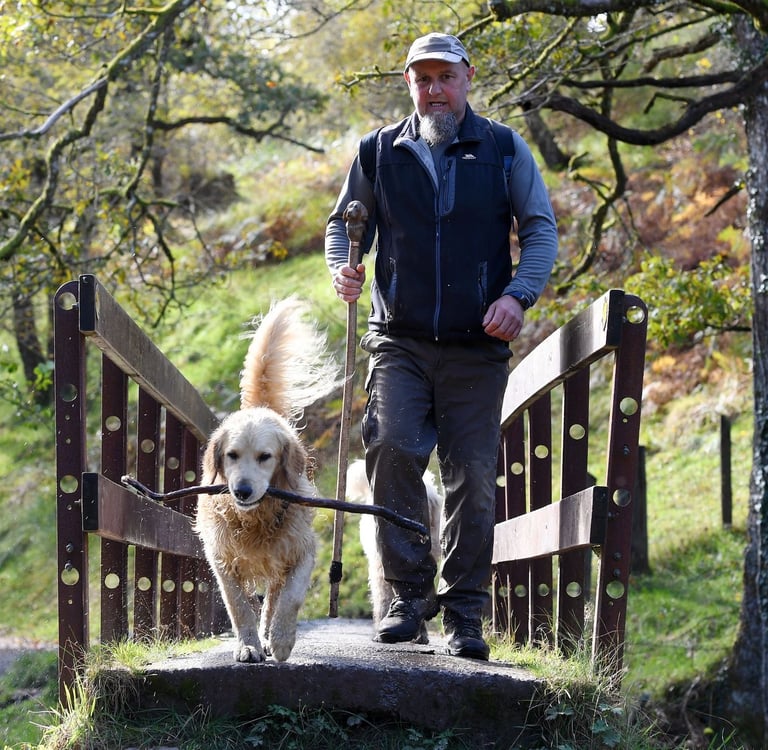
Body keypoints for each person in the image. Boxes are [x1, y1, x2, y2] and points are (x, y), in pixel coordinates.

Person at [325, 32, 558, 660]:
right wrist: (344, 267)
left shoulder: (504, 149)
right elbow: (343, 224)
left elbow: (539, 229)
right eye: (422, 78)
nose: (434, 89)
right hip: (397, 339)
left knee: (473, 477)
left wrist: (518, 294)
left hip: (476, 345)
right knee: (394, 447)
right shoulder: (378, 152)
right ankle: (405, 598)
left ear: (467, 79)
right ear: (409, 84)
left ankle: (464, 615)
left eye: (444, 77)